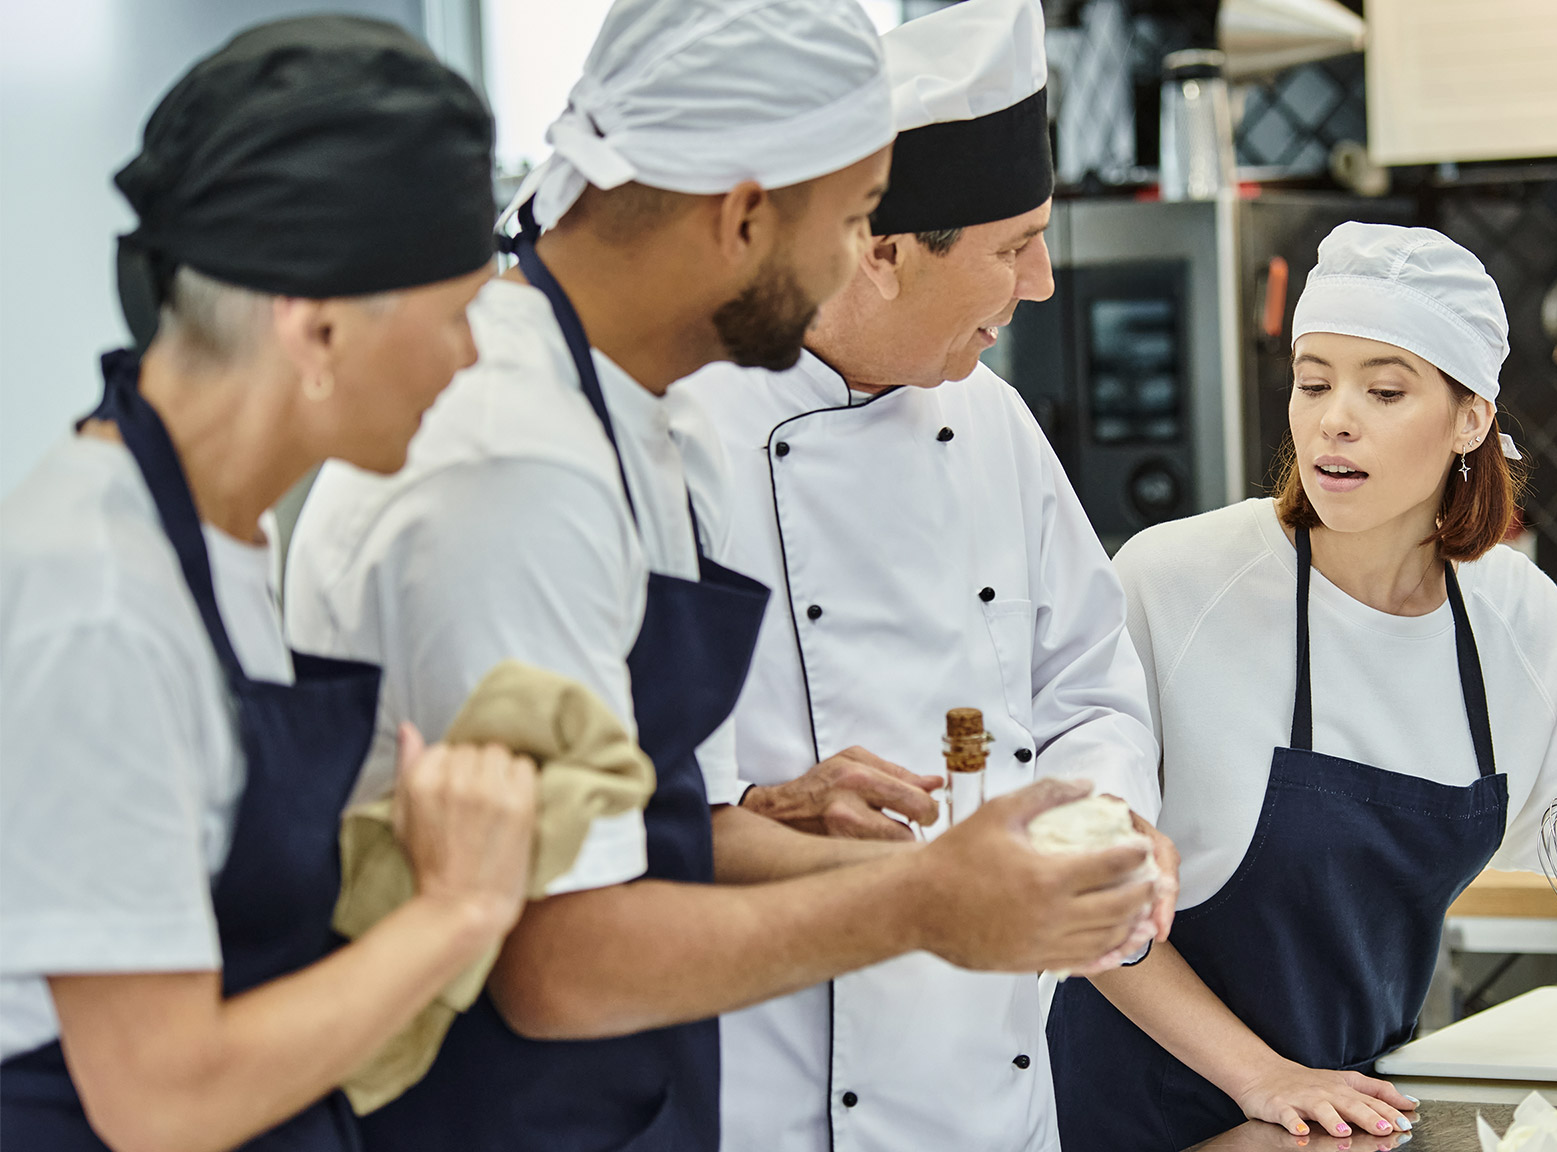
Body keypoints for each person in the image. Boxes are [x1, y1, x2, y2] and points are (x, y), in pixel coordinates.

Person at [281, 2, 1156, 1150]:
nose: (859, 262)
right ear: (743, 216)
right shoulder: (512, 465)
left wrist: (744, 817)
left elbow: (614, 823)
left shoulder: (616, 417)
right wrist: (929, 901)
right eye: (851, 220)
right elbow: (559, 964)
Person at [1047, 223, 1557, 1151]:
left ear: (1472, 418)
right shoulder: (1175, 582)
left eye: (1385, 389)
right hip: (1139, 1110)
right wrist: (1265, 1079)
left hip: (1341, 1119)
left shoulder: (1518, 618)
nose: (1333, 418)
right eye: (1314, 383)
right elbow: (1078, 893)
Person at [0, 17, 541, 1152]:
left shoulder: (215, 532)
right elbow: (161, 1098)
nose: (471, 359)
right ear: (317, 329)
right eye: (454, 316)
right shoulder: (99, 597)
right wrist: (457, 908)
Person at [680, 0, 1172, 1148]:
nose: (1042, 284)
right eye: (1014, 246)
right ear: (883, 251)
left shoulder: (991, 422)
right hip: (770, 1092)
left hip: (989, 1090)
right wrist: (760, 813)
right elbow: (625, 813)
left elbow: (1089, 685)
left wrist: (1102, 825)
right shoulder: (682, 431)